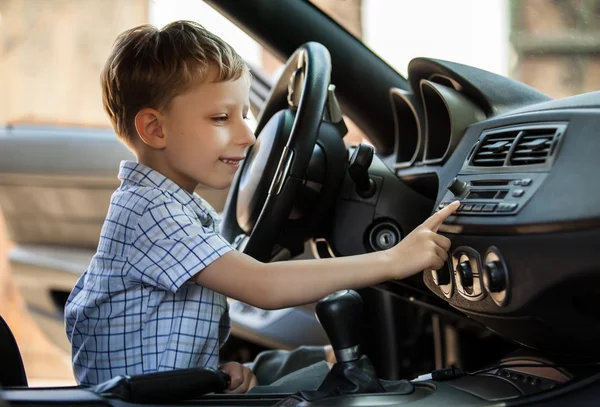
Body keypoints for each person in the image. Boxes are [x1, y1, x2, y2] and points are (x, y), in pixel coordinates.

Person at [64, 20, 459, 393]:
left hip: (169, 388)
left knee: (311, 364)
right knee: (341, 383)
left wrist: (205, 369)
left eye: (246, 116)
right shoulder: (152, 212)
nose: (250, 137)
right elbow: (262, 286)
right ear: (155, 129)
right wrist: (393, 260)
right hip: (146, 401)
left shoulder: (167, 203)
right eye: (221, 117)